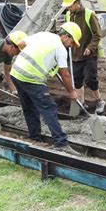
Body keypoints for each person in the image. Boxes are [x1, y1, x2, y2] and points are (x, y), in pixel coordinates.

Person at [10, 22, 82, 156]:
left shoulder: (44, 35)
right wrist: (72, 92)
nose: (72, 46)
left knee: (29, 108)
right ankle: (61, 143)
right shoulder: (60, 48)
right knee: (49, 108)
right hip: (31, 77)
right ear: (66, 36)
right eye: (72, 42)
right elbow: (64, 74)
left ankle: (35, 137)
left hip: (16, 73)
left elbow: (20, 43)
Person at [61, 0, 106, 114]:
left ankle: (99, 101)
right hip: (75, 54)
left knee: (91, 79)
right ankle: (81, 103)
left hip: (89, 54)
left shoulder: (89, 14)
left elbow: (98, 34)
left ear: (77, 2)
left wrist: (90, 48)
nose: (68, 8)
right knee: (77, 80)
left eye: (69, 5)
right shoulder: (68, 15)